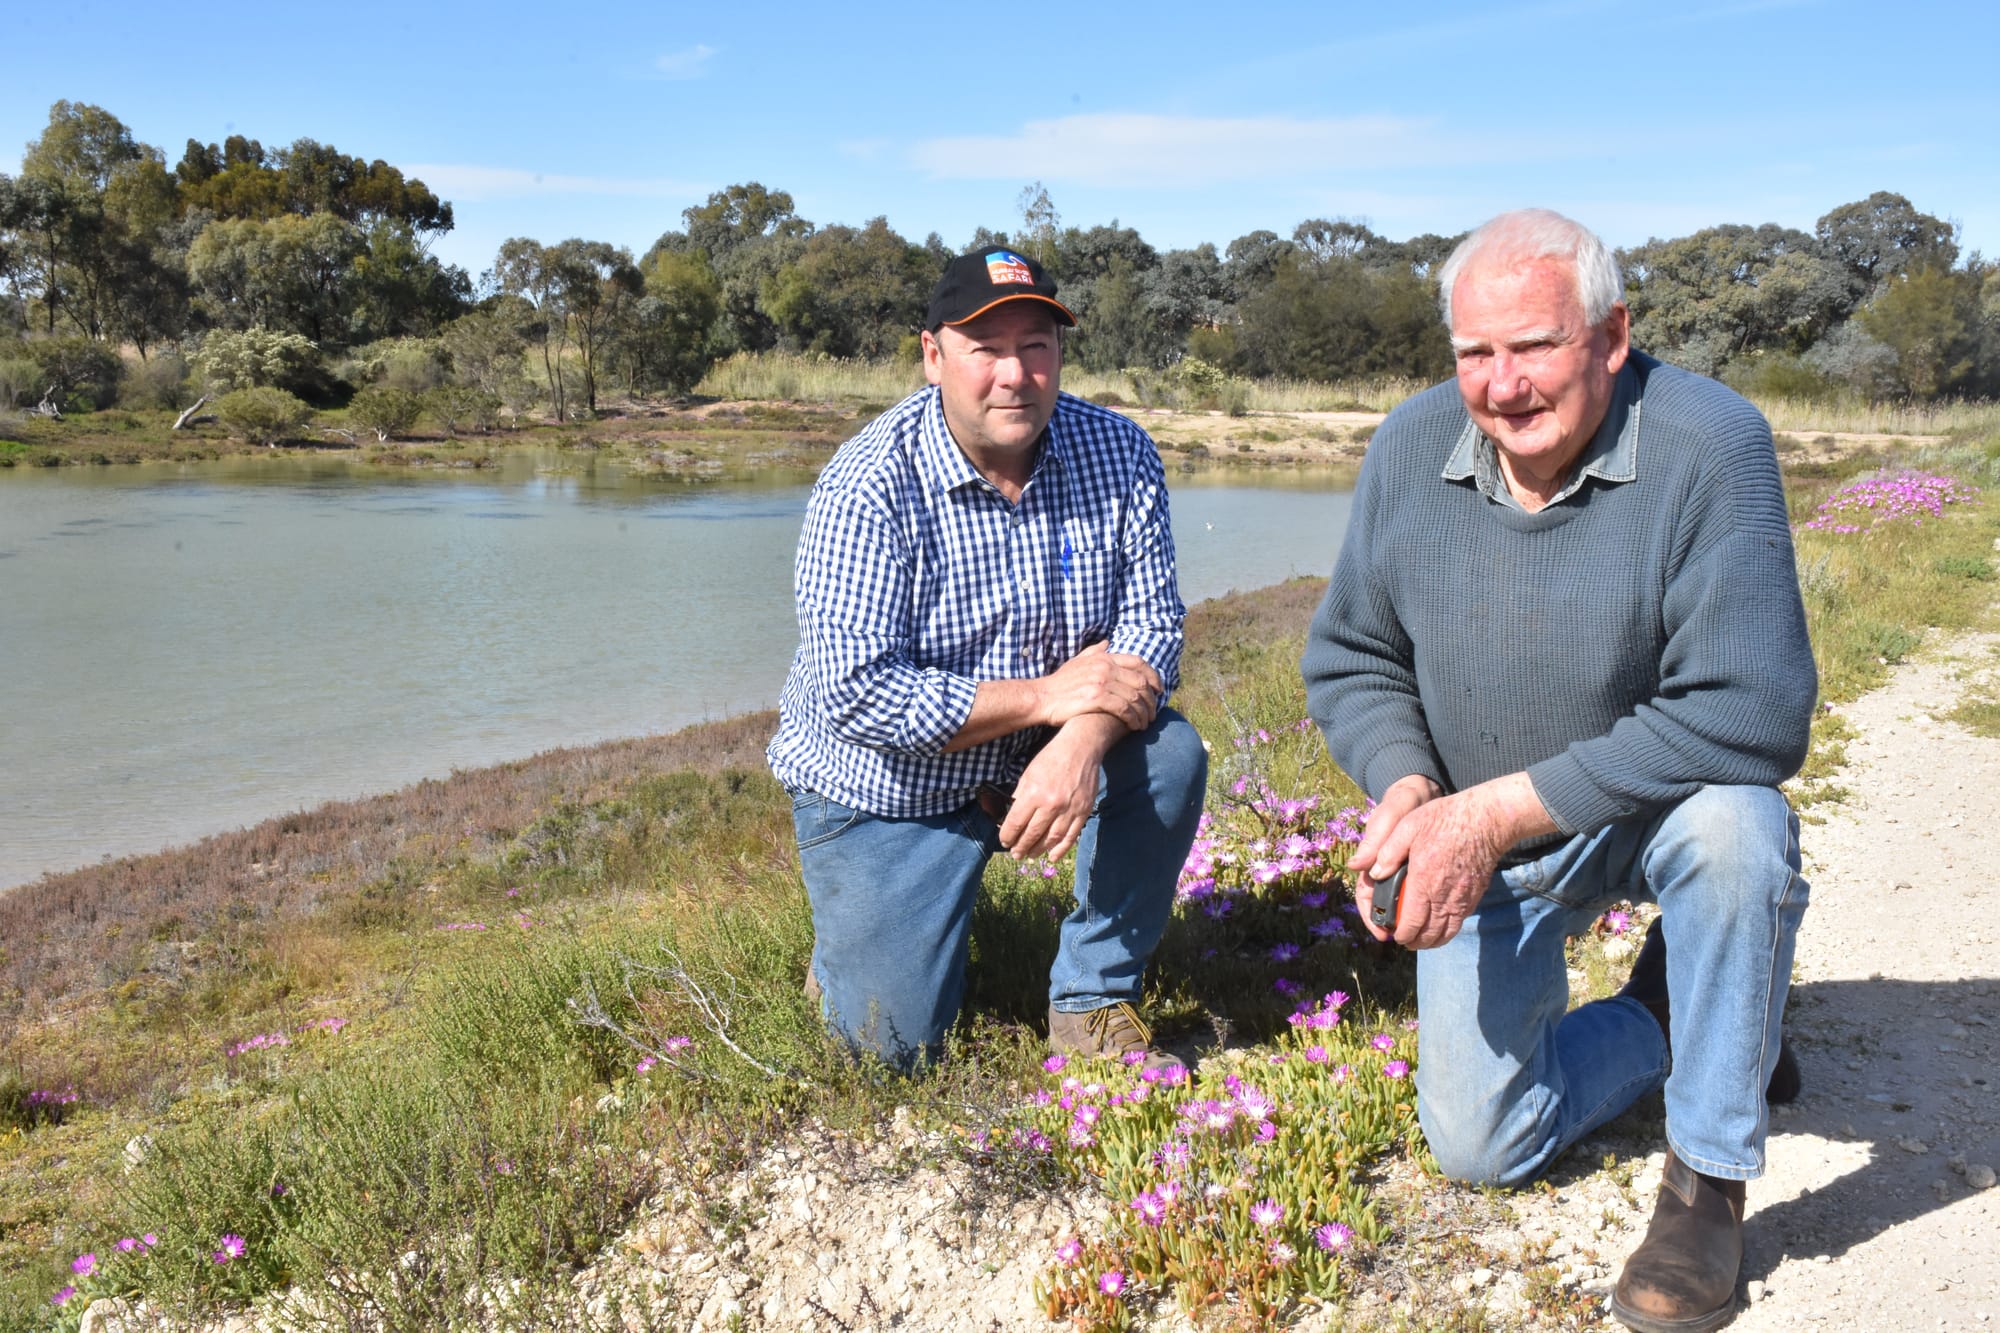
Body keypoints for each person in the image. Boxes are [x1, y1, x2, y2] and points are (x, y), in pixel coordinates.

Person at [1301, 209, 1816, 1333]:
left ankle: (1706, 1175)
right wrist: (1404, 789)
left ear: (1610, 334)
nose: (1501, 385)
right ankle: (1676, 1017)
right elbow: (1354, 656)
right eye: (1473, 353)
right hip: (1481, 829)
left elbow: (1755, 708)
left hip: (1644, 810)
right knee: (1482, 1144)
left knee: (1737, 830)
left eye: (1532, 346)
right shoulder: (1406, 446)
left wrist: (1487, 814)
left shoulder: (1709, 441)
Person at [767, 247, 1207, 1073]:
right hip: (886, 785)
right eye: (986, 349)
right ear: (933, 356)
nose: (1016, 374)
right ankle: (844, 958)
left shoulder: (1120, 453)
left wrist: (1077, 743)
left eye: (1036, 345)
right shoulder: (867, 485)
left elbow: (1152, 629)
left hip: (1039, 759)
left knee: (1170, 752)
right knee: (888, 1053)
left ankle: (1092, 997)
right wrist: (1047, 699)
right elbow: (858, 693)